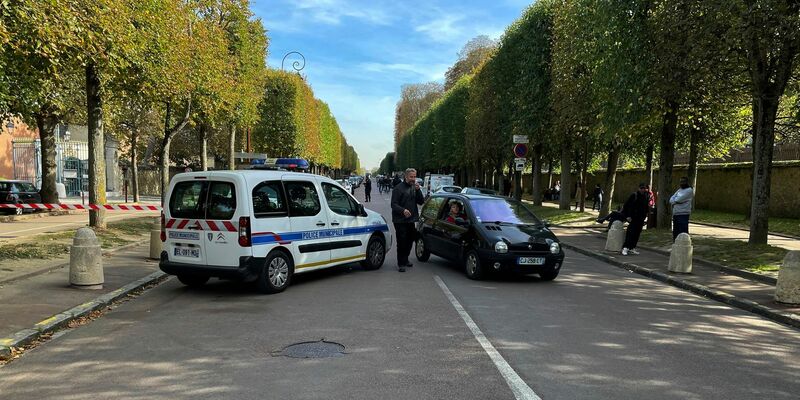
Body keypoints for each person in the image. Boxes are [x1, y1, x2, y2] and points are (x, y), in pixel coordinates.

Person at [390, 168, 425, 272]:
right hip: (399, 220)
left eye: (414, 177)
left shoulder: (415, 188)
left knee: (410, 240)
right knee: (402, 241)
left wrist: (418, 191)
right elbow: (393, 204)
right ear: (406, 177)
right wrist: (403, 210)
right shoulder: (398, 188)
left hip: (411, 219)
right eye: (411, 177)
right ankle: (401, 263)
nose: (413, 179)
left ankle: (405, 259)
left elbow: (421, 202)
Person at [621, 183, 650, 256]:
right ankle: (625, 247)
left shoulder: (646, 196)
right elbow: (626, 205)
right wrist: (628, 216)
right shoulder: (634, 195)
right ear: (639, 188)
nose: (643, 189)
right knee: (631, 232)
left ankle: (632, 247)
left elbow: (646, 207)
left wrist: (645, 216)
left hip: (641, 218)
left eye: (644, 188)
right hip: (633, 217)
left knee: (637, 233)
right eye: (641, 188)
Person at [669, 176, 694, 241]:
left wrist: (675, 201)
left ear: (686, 182)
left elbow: (679, 200)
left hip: (683, 214)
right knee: (676, 232)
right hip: (676, 214)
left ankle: (684, 246)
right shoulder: (679, 190)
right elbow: (671, 199)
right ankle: (675, 245)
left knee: (683, 232)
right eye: (680, 182)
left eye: (683, 181)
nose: (681, 183)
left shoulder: (689, 190)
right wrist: (675, 201)